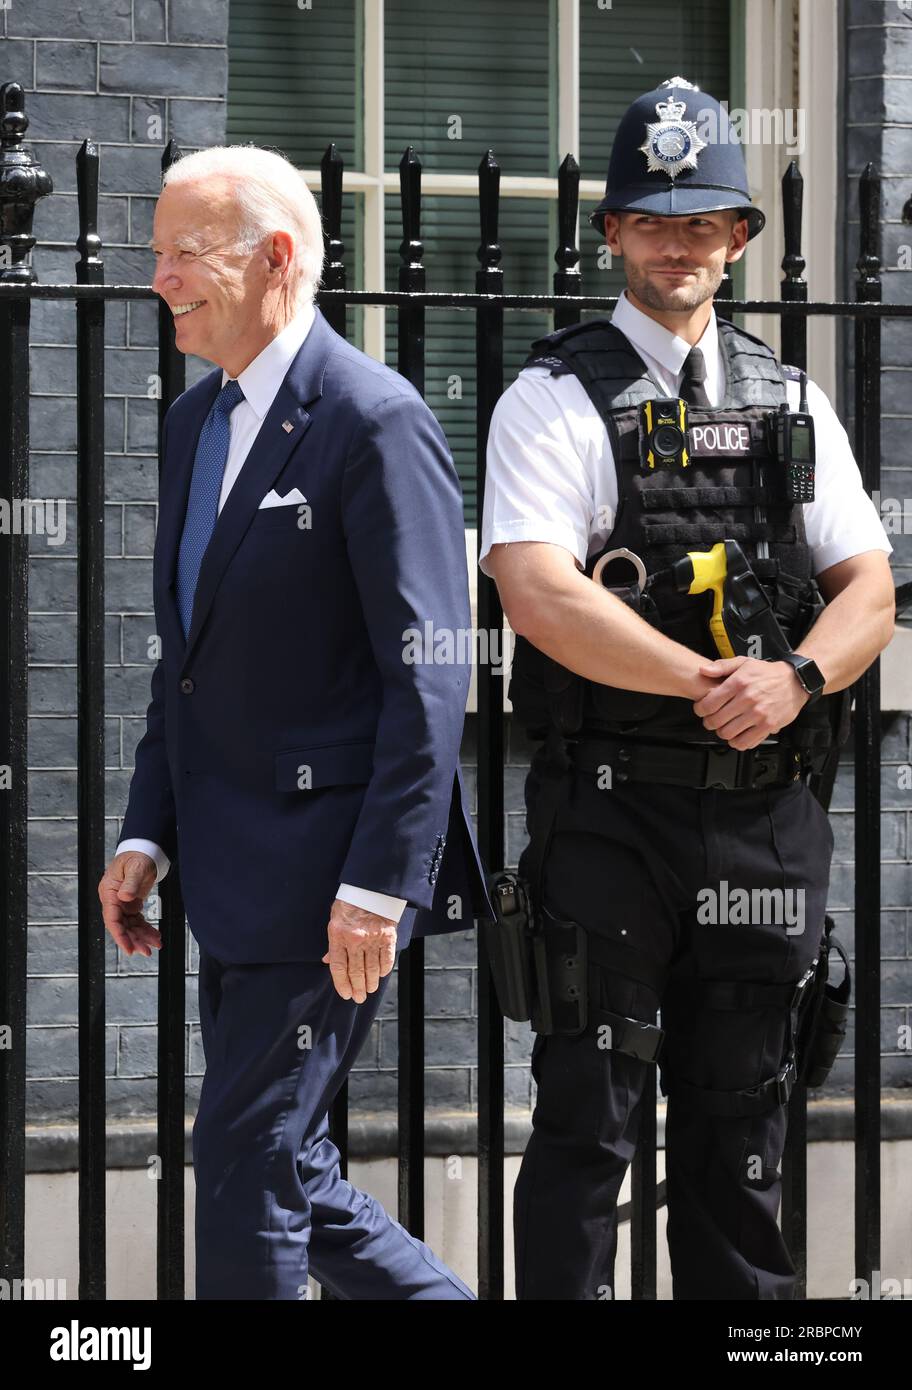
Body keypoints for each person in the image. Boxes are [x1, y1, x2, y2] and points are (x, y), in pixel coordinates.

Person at [480, 77, 895, 1300]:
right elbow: (537, 591)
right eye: (654, 220)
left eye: (703, 220)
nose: (679, 241)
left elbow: (870, 588)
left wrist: (799, 678)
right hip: (611, 820)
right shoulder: (552, 397)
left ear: (739, 241)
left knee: (742, 1142)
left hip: (765, 825)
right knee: (585, 1137)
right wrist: (711, 682)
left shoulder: (791, 403)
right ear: (612, 235)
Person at [97, 144, 493, 1300]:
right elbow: (192, 659)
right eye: (156, 251)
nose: (160, 277)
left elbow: (430, 672)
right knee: (289, 1168)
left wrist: (383, 882)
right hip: (228, 874)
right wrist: (145, 832)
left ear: (276, 260)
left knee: (246, 1164)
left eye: (186, 254)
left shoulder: (373, 420)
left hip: (328, 884)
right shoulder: (192, 425)